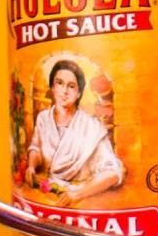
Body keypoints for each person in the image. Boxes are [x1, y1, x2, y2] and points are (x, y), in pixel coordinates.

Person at [27, 58, 123, 201]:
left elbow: (114, 172)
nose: (64, 91)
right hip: (46, 197)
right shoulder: (43, 119)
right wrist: (31, 166)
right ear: (52, 87)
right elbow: (36, 147)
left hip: (85, 201)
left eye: (71, 86)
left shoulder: (92, 127)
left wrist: (77, 194)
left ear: (79, 93)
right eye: (59, 83)